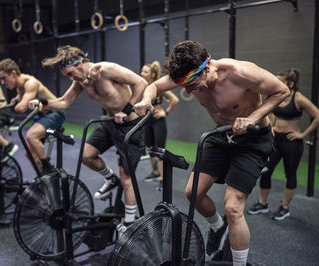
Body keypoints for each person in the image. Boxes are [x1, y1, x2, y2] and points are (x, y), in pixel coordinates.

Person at [134, 40, 289, 265]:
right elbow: (154, 86)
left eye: (190, 83)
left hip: (254, 139)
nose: (186, 90)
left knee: (233, 207)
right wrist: (146, 99)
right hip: (222, 135)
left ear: (206, 68)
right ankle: (218, 227)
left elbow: (281, 91)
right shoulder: (190, 75)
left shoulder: (240, 72)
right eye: (182, 84)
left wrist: (252, 118)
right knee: (192, 192)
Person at [28, 45, 148, 234]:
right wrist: (42, 102)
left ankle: (129, 224)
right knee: (86, 155)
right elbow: (64, 102)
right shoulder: (81, 80)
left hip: (130, 125)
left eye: (70, 73)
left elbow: (141, 82)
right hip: (109, 122)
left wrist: (127, 110)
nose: (71, 78)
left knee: (127, 179)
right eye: (67, 76)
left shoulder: (107, 70)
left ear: (80, 64)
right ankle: (110, 179)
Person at [248, 68, 319, 221]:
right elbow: (271, 112)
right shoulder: (277, 95)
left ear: (291, 84)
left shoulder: (298, 98)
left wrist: (302, 134)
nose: (276, 83)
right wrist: (272, 126)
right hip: (275, 139)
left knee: (290, 174)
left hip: (292, 142)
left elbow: (317, 115)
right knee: (266, 171)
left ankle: (285, 207)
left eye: (280, 81)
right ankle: (262, 203)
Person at [0, 58, 66, 174]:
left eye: (3, 78)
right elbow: (21, 97)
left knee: (31, 135)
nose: (2, 82)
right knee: (29, 153)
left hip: (54, 112)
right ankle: (43, 178)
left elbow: (22, 107)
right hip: (41, 116)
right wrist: (16, 99)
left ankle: (49, 168)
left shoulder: (30, 83)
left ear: (13, 73)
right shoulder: (19, 86)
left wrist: (19, 104)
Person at [140, 61, 179, 183]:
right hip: (147, 122)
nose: (142, 73)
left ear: (152, 74)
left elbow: (174, 100)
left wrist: (165, 113)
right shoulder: (142, 87)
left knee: (160, 150)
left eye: (145, 71)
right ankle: (155, 172)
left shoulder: (159, 87)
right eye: (141, 71)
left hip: (158, 122)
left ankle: (163, 178)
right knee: (150, 148)